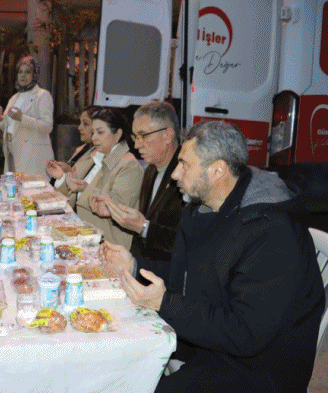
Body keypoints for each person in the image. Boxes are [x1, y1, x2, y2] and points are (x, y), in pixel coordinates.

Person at [100, 120, 325, 393]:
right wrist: (135, 266)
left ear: (217, 170)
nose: (175, 174)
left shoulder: (272, 231)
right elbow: (184, 274)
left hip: (256, 370)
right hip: (210, 346)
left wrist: (164, 303)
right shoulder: (204, 209)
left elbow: (245, 333)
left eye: (185, 165)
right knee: (115, 357)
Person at [90, 101, 184, 261]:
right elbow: (143, 222)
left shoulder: (186, 173)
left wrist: (143, 227)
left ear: (167, 135)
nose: (136, 144)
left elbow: (187, 241)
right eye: (135, 136)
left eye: (143, 136)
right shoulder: (151, 170)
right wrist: (113, 212)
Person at [47, 108, 143, 246]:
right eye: (93, 133)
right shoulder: (96, 156)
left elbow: (118, 210)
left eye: (100, 132)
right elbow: (72, 198)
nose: (94, 138)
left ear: (118, 134)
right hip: (82, 232)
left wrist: (84, 189)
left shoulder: (129, 165)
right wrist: (62, 177)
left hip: (106, 242)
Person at [0, 55, 54, 176]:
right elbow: (8, 126)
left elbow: (47, 126)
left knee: (31, 187)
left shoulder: (42, 95)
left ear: (35, 74)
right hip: (12, 154)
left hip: (32, 157)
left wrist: (22, 118)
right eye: (20, 72)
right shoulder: (15, 97)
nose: (23, 75)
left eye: (28, 72)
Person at [46, 105, 98, 185]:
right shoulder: (83, 148)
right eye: (80, 123)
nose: (79, 127)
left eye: (85, 124)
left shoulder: (99, 156)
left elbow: (83, 185)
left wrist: (68, 171)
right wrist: (63, 168)